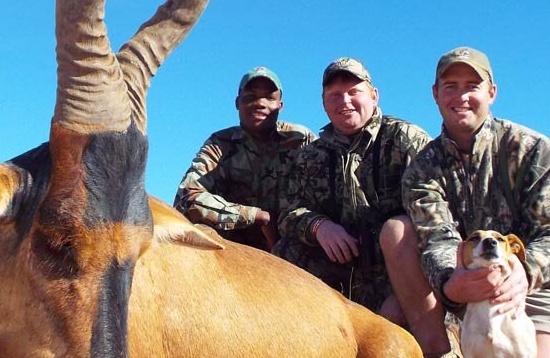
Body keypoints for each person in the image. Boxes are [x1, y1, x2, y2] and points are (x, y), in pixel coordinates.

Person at [401, 46, 550, 358]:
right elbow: (436, 238)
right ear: (435, 94)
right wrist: (450, 282)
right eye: (450, 86)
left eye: (472, 85)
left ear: (492, 92)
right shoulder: (422, 168)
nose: (461, 96)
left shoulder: (532, 149)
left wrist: (525, 270)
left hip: (546, 288)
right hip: (470, 294)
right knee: (396, 231)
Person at [275, 58, 431, 324]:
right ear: (324, 104)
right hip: (340, 272)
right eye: (335, 95)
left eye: (353, 92)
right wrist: (318, 226)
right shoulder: (311, 155)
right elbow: (289, 213)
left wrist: (406, 294)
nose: (344, 101)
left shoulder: (406, 138)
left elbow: (440, 217)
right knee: (285, 251)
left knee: (399, 229)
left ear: (374, 96)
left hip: (398, 274)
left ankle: (440, 351)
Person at [174, 67, 316, 251]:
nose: (259, 103)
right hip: (234, 248)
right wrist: (254, 216)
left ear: (280, 106)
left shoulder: (301, 139)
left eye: (269, 98)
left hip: (292, 246)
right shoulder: (220, 144)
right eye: (250, 97)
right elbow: (186, 198)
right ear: (237, 103)